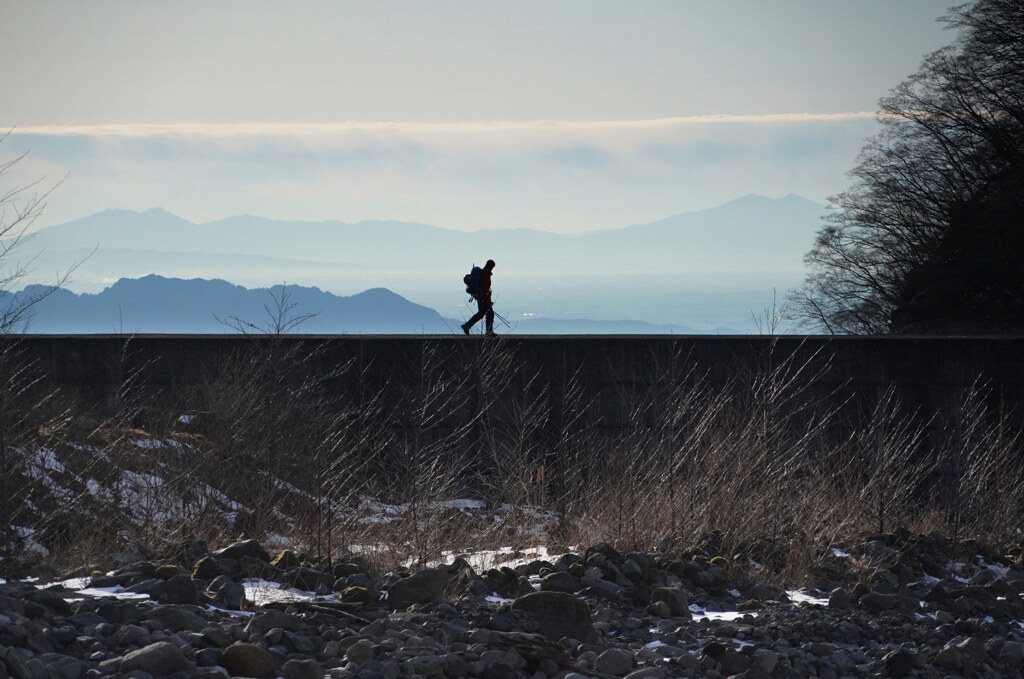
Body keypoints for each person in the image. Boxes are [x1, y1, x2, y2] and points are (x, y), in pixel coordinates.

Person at [461, 259, 496, 336]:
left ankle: (467, 326)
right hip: (483, 298)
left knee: (483, 314)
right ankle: (488, 331)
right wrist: (486, 299)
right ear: (491, 266)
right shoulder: (485, 274)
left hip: (481, 297)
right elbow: (485, 288)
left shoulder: (483, 273)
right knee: (488, 314)